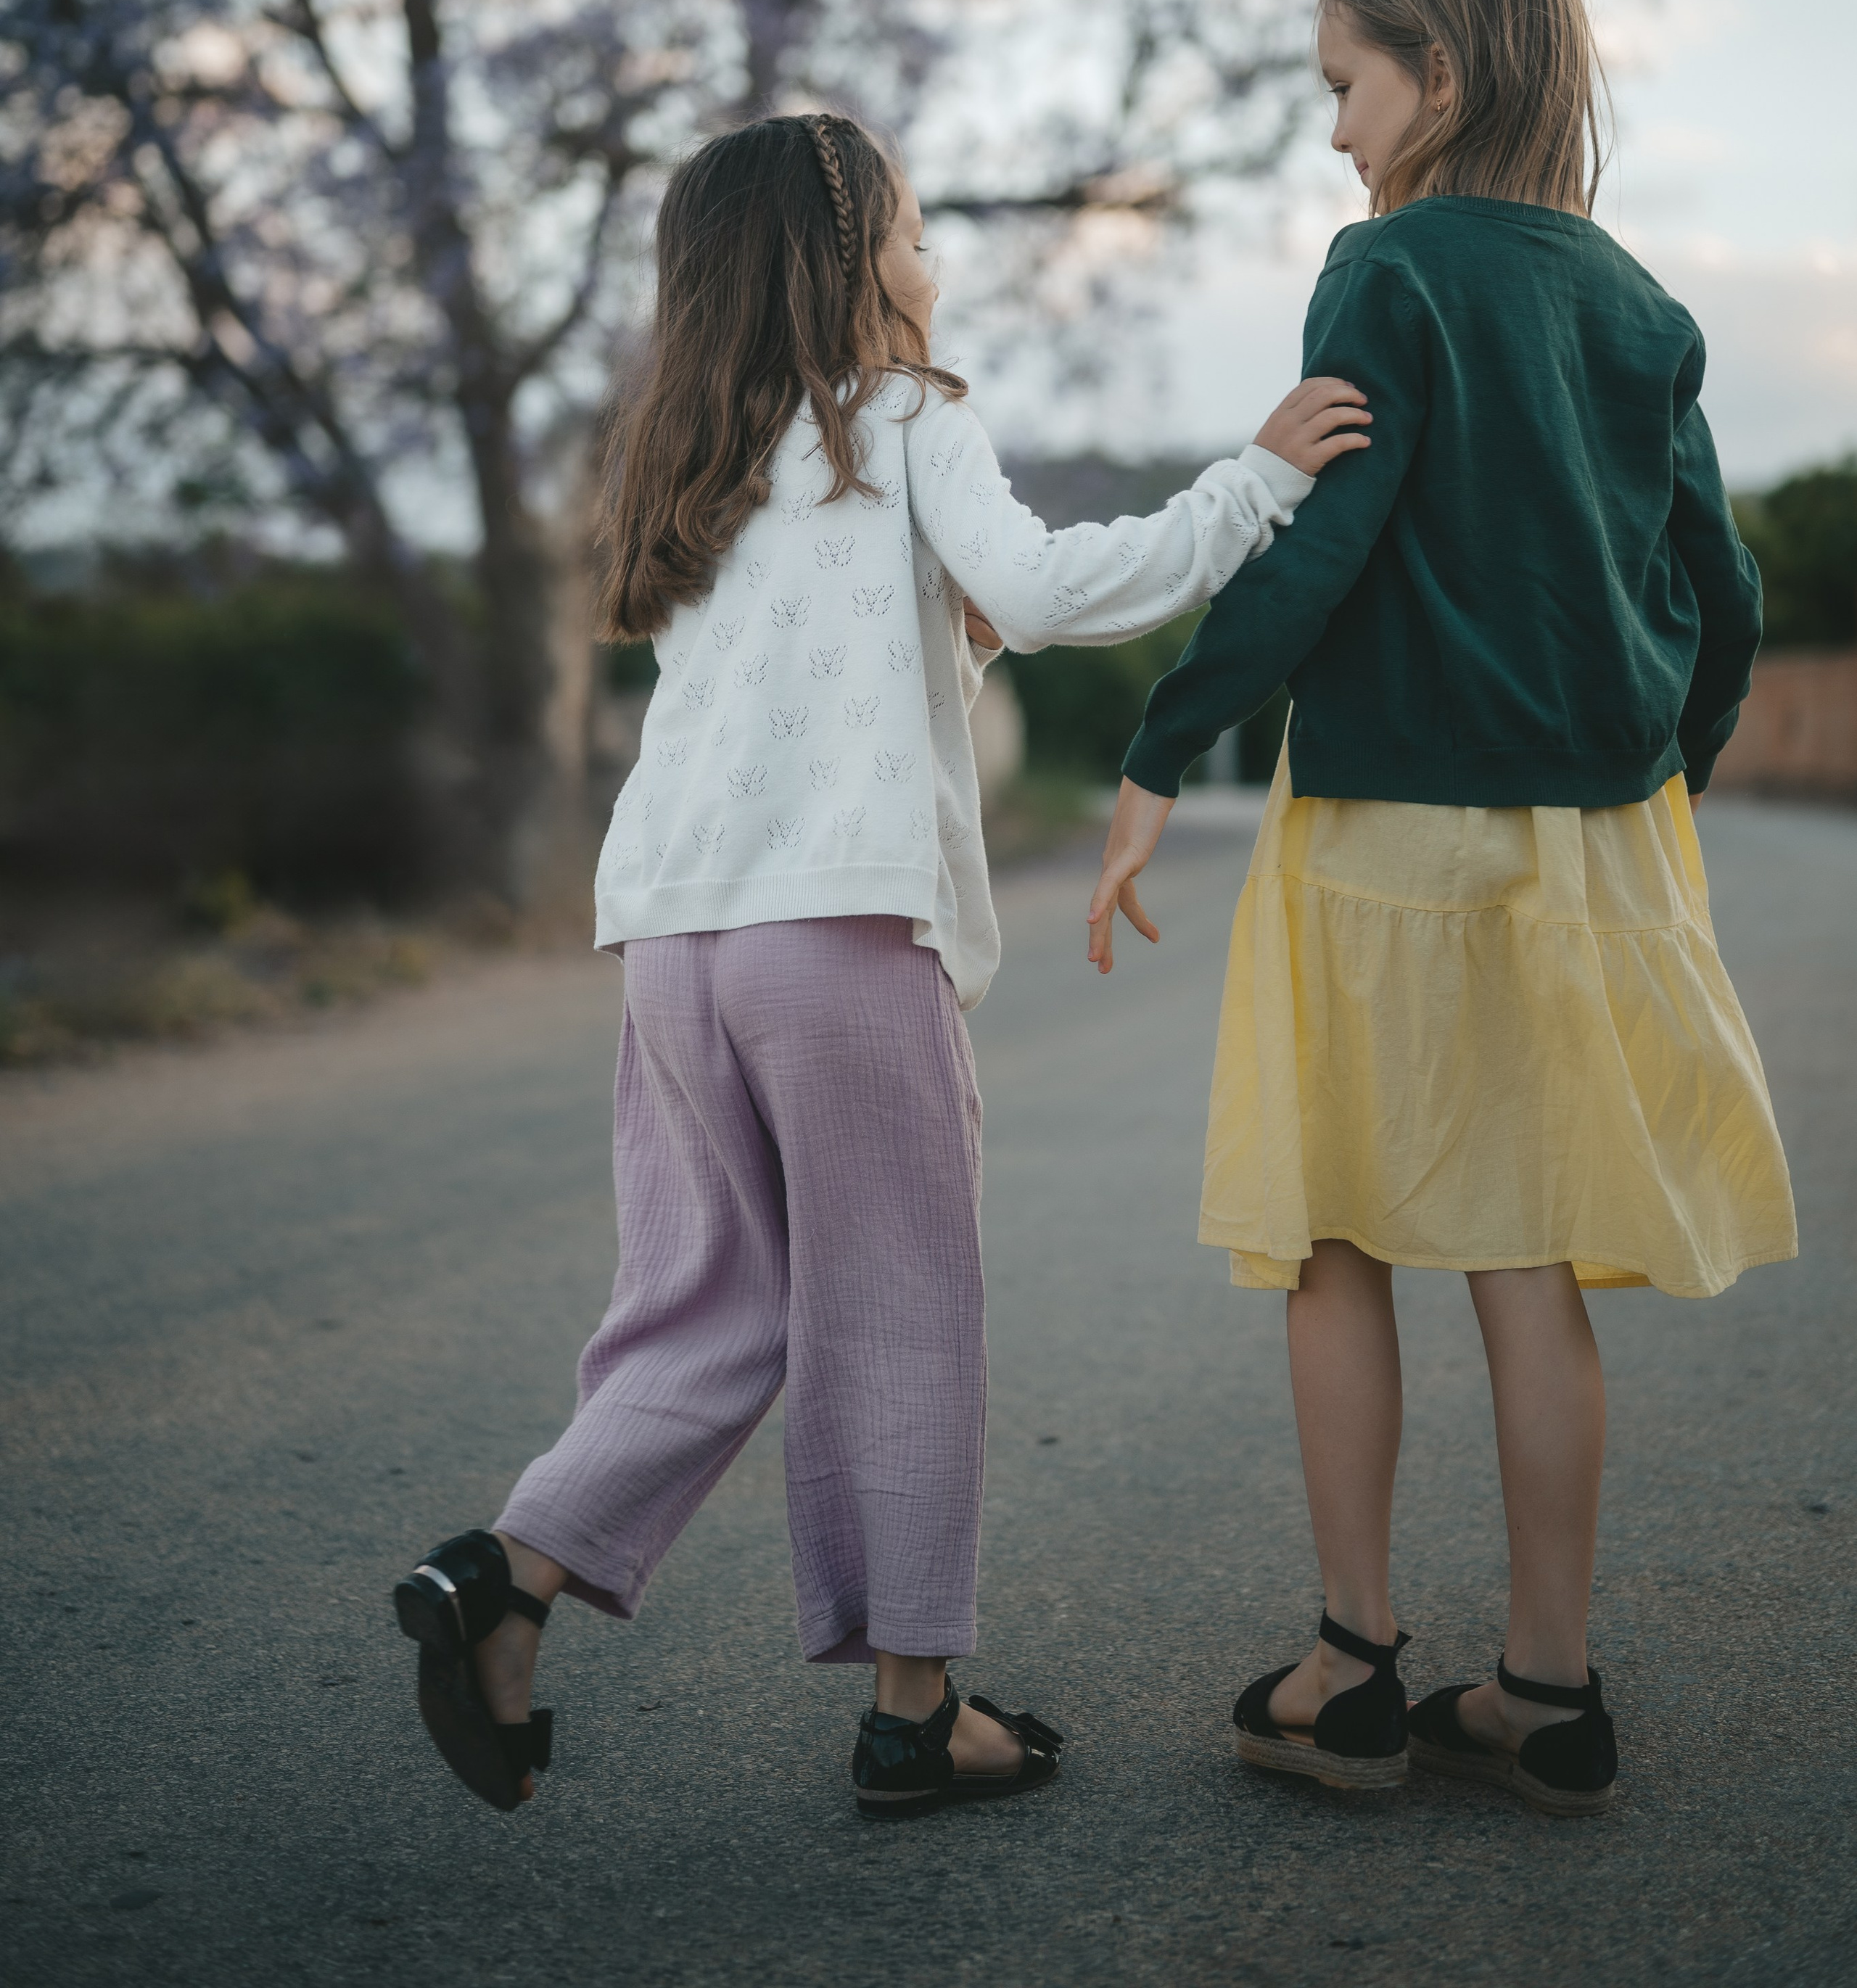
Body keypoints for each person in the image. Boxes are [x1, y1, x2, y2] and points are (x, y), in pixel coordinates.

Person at [393, 110, 1371, 1820]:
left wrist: (948, 628)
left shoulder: (687, 453)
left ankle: (509, 1572)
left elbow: (824, 663)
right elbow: (1058, 587)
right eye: (913, 230)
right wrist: (1256, 480)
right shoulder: (902, 413)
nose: (933, 260)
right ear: (848, 264)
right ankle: (917, 1713)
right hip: (836, 944)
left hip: (674, 948)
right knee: (901, 1308)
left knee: (711, 1304)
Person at [1086, 0, 1797, 1818]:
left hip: (1389, 838)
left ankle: (1355, 1668)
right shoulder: (1640, 306)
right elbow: (1716, 588)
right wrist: (1678, 764)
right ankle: (1549, 1691)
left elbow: (1323, 547)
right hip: (1596, 846)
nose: (1334, 133)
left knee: (1336, 1235)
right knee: (1529, 1256)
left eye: (1344, 85)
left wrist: (1163, 741)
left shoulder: (1386, 273)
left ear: (1445, 71)